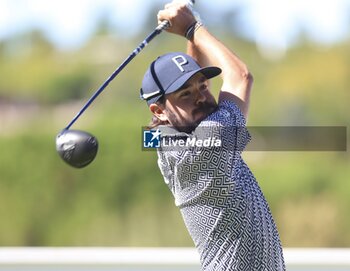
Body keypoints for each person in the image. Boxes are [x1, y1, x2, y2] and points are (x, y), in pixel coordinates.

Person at [140, 1, 285, 270]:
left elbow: (198, 72)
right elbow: (241, 76)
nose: (202, 98)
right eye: (186, 94)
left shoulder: (170, 139)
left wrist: (188, 34)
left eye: (203, 86)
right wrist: (192, 25)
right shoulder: (206, 146)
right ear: (158, 110)